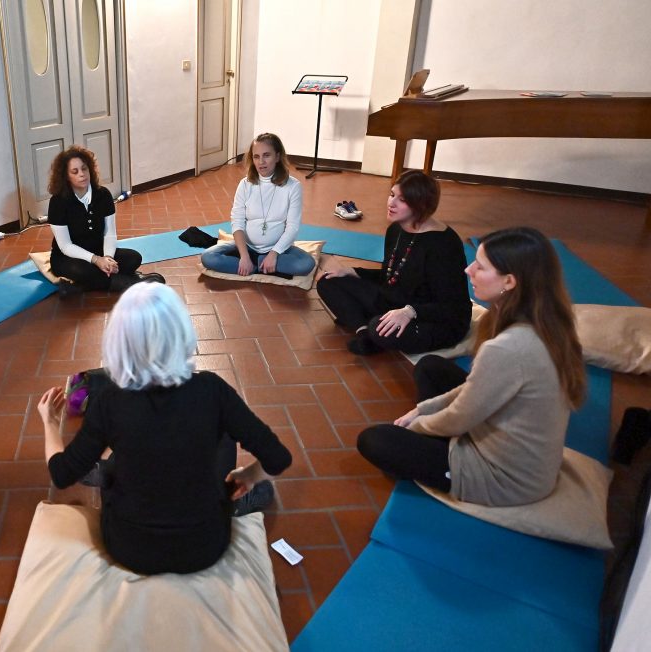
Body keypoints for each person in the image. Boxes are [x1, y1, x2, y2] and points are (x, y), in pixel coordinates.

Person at [36, 283, 292, 574]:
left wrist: (50, 424)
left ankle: (105, 471)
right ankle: (233, 501)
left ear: (118, 342)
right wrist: (248, 476)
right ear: (182, 333)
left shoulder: (110, 400)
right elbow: (278, 458)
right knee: (222, 436)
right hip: (204, 547)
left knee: (126, 450)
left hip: (129, 547)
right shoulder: (212, 390)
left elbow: (61, 473)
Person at [356, 227, 586, 506]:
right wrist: (422, 409)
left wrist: (417, 426)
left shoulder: (509, 348)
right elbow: (474, 389)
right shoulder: (546, 321)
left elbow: (461, 417)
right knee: (430, 367)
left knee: (375, 440)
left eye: (480, 266)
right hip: (514, 450)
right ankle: (435, 444)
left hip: (506, 479)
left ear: (509, 281)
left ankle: (439, 455)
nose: (468, 270)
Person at [316, 170, 471, 356]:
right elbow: (390, 275)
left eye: (402, 200)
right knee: (328, 281)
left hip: (433, 319)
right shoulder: (395, 229)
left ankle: (371, 328)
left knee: (378, 327)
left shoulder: (443, 244)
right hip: (396, 300)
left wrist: (409, 312)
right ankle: (363, 332)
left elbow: (452, 307)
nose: (391, 203)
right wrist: (353, 271)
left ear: (421, 205)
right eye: (391, 195)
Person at [46, 145, 164, 296]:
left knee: (133, 258)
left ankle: (78, 288)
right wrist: (96, 260)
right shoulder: (57, 202)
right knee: (82, 270)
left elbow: (109, 233)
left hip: (99, 250)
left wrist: (108, 258)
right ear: (66, 176)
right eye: (75, 172)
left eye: (84, 169)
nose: (82, 174)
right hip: (68, 257)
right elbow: (65, 246)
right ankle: (129, 283)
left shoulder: (103, 194)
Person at [200, 133, 315, 278]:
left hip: (278, 250)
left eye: (266, 155)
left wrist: (273, 254)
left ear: (277, 157)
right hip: (247, 247)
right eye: (256, 156)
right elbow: (237, 222)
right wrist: (244, 256)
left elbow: (293, 227)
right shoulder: (245, 184)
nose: (261, 162)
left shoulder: (293, 186)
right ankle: (259, 266)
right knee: (208, 257)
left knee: (306, 264)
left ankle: (259, 265)